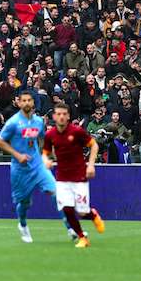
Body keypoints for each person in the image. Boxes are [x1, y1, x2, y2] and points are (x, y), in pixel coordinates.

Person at [0, 91, 65, 244]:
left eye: (29, 100)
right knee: (25, 203)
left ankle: (71, 228)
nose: (27, 103)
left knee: (56, 192)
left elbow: (43, 140)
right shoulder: (13, 122)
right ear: (19, 103)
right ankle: (22, 224)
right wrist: (17, 155)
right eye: (24, 100)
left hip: (38, 166)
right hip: (20, 169)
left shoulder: (39, 121)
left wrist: (47, 156)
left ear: (33, 103)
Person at [42, 101, 105, 249]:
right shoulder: (50, 134)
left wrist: (91, 165)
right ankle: (82, 237)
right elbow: (45, 152)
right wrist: (46, 161)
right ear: (54, 116)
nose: (61, 117)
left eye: (64, 114)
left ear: (69, 116)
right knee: (67, 209)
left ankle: (93, 215)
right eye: (58, 114)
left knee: (82, 212)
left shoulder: (76, 132)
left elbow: (94, 145)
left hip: (79, 177)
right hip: (62, 178)